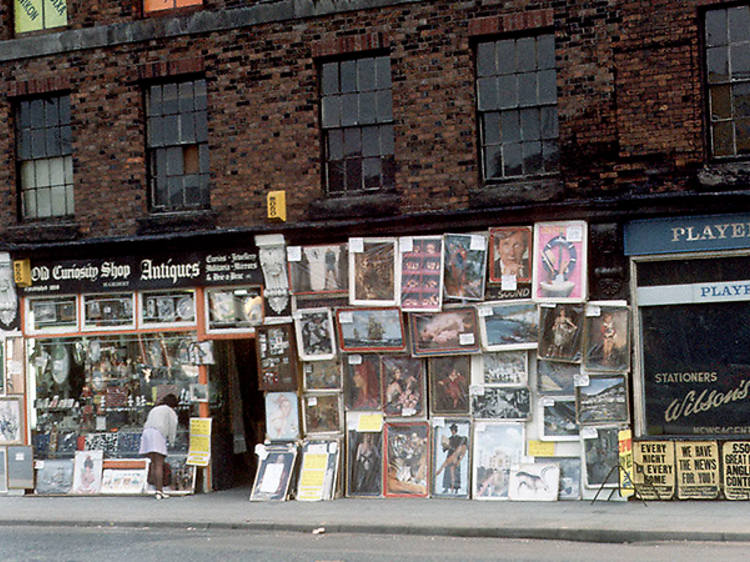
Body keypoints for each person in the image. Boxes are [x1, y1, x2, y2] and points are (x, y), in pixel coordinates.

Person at [139, 393, 178, 499]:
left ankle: (153, 488)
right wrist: (172, 442)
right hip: (158, 433)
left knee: (154, 463)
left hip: (147, 432)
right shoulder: (170, 411)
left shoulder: (155, 409)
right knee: (159, 464)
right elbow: (172, 428)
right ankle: (159, 491)